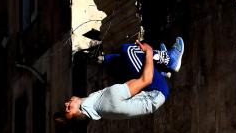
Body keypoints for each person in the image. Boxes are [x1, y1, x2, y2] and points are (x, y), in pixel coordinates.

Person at [55, 37, 184, 122]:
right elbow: (146, 80)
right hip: (156, 90)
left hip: (153, 91)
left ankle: (161, 70)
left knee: (119, 64)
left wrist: (104, 59)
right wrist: (149, 52)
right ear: (80, 111)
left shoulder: (96, 105)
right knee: (128, 51)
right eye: (68, 109)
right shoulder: (105, 102)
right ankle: (170, 59)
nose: (66, 104)